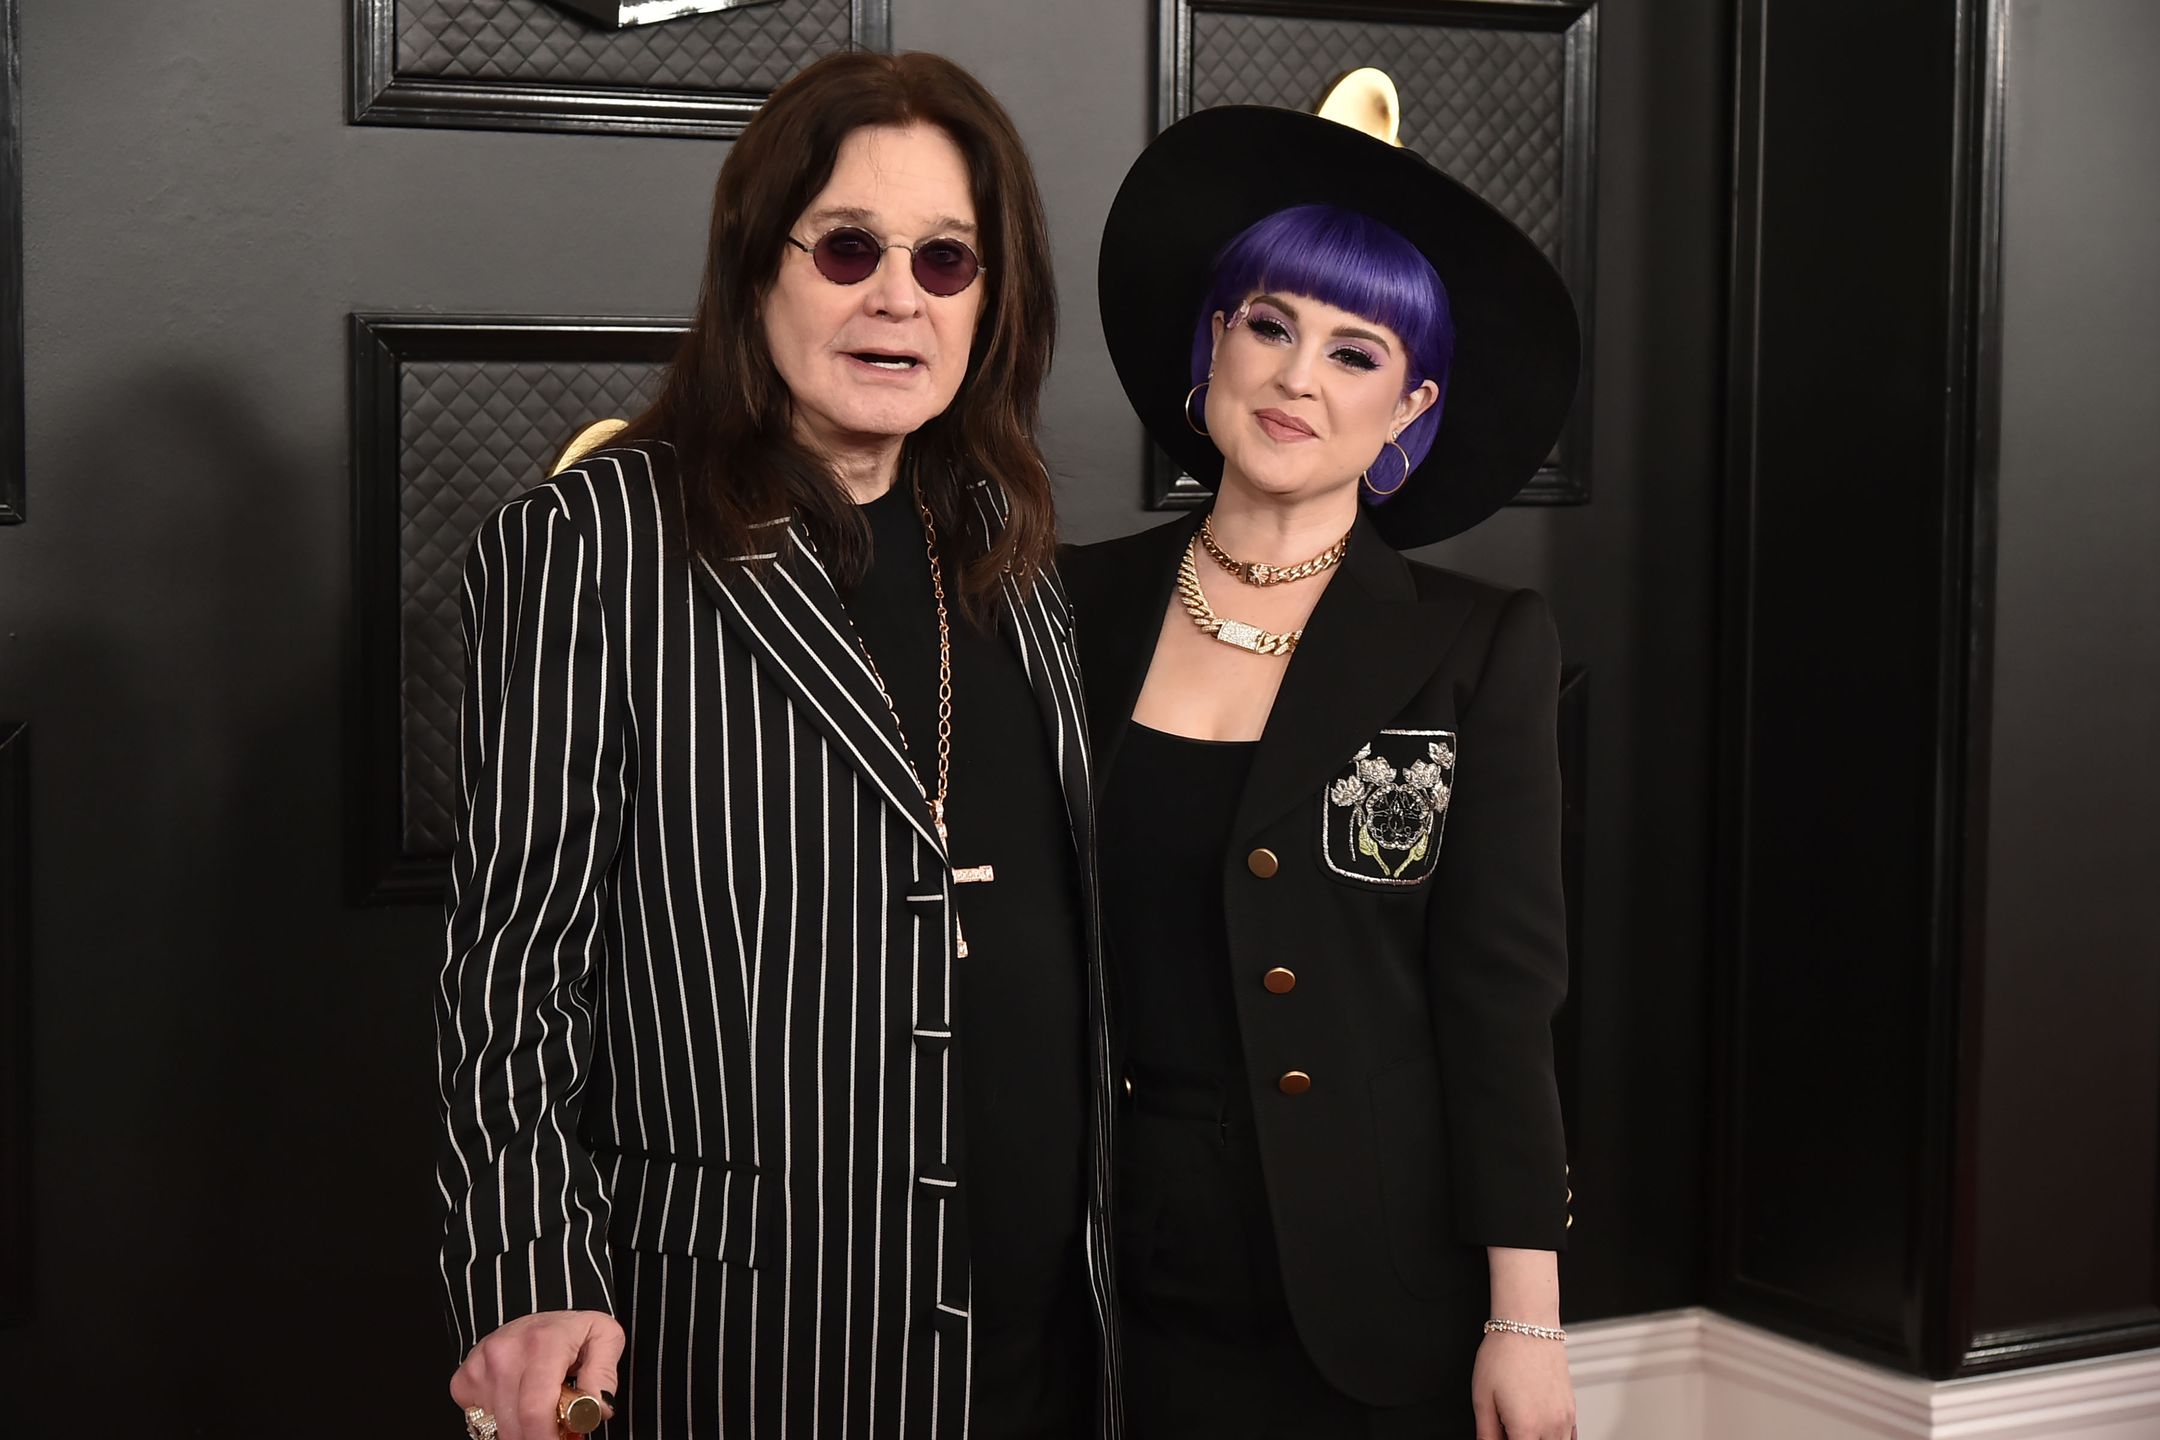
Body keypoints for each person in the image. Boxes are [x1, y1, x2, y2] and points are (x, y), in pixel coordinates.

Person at [435, 51, 1118, 1440]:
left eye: (946, 262)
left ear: (991, 306)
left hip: (1047, 1337)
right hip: (758, 1338)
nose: (894, 297)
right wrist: (526, 1277)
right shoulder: (596, 545)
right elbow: (513, 972)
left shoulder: (1011, 553)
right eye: (850, 246)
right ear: (759, 267)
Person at [1062, 105, 1581, 1439]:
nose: (1299, 377)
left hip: (1373, 1293)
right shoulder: (1066, 609)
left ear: (1410, 405)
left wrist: (1527, 1324)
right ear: (1213, 343)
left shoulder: (1476, 646)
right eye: (1270, 325)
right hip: (1103, 1269)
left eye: (1357, 351)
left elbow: (1500, 1005)